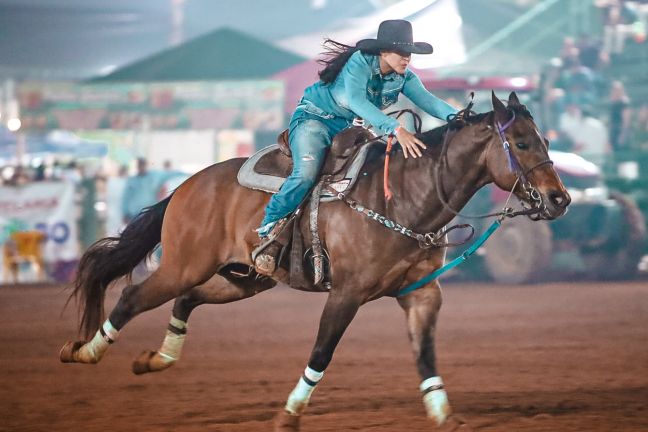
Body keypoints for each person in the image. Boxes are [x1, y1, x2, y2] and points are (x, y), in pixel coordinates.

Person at [256, 19, 458, 238]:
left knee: (375, 170)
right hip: (314, 120)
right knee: (305, 174)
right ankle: (269, 225)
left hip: (349, 128)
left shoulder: (405, 78)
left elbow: (429, 101)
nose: (406, 58)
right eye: (401, 52)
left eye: (410, 53)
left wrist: (463, 118)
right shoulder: (359, 63)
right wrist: (397, 130)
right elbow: (356, 101)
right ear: (383, 51)